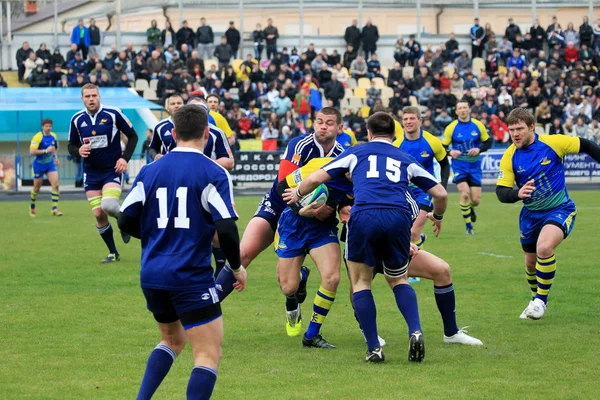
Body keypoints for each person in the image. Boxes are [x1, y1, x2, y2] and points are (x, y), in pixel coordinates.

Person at [284, 112, 447, 362]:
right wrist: (437, 215)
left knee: (361, 283)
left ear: (368, 133)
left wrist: (297, 192)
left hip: (364, 216)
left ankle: (374, 347)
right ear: (394, 135)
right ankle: (415, 330)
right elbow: (441, 193)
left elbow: (317, 177)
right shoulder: (405, 157)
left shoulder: (356, 153)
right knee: (399, 280)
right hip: (397, 217)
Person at [118, 105, 246, 400]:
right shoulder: (213, 172)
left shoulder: (150, 171)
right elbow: (226, 228)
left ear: (173, 134)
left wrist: (153, 237)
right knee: (207, 353)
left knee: (172, 339)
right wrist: (237, 268)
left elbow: (125, 218)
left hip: (152, 274)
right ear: (206, 133)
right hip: (190, 275)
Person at [214, 108, 345, 312]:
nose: (323, 126)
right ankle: (207, 308)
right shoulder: (299, 145)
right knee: (242, 254)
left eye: (329, 123)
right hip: (278, 206)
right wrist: (300, 209)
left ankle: (297, 282)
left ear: (340, 128)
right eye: (319, 121)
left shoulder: (343, 155)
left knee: (292, 283)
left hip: (313, 218)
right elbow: (283, 185)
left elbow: (343, 192)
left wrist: (330, 206)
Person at [496, 108, 600, 320]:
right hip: (530, 216)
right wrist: (517, 194)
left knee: (544, 247)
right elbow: (501, 192)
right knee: (530, 263)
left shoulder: (554, 143)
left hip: (560, 209)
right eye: (512, 129)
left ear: (532, 127)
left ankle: (541, 301)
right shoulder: (509, 156)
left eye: (520, 129)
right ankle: (535, 299)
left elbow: (587, 145)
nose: (515, 134)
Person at [67, 84, 139, 263]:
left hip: (111, 170)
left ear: (99, 96)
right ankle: (113, 252)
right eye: (87, 96)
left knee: (108, 205)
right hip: (91, 173)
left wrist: (124, 159)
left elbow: (133, 136)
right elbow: (71, 146)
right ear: (82, 99)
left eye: (94, 95)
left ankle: (125, 224)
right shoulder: (76, 119)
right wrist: (78, 151)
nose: (91, 99)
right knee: (99, 214)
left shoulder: (113, 114)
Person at [393, 107, 449, 249]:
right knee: (406, 233)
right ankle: (419, 246)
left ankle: (416, 266)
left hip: (425, 191)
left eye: (412, 118)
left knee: (413, 232)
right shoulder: (396, 146)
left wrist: (441, 188)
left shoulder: (432, 141)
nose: (408, 122)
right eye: (405, 119)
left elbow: (444, 164)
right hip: (405, 193)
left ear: (420, 121)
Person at [442, 101, 491, 235]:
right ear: (456, 111)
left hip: (474, 166)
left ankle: (469, 208)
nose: (462, 110)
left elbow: (488, 142)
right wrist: (450, 152)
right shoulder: (451, 128)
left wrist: (479, 149)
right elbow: (443, 147)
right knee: (464, 194)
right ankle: (469, 226)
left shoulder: (478, 125)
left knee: (475, 200)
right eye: (460, 108)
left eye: (465, 108)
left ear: (469, 110)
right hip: (459, 165)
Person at [29, 119, 62, 217]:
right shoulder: (38, 137)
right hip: (38, 165)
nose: (48, 128)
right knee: (36, 188)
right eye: (46, 126)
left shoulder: (54, 136)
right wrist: (45, 151)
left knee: (56, 185)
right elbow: (32, 151)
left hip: (50, 164)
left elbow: (53, 148)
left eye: (50, 126)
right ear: (42, 127)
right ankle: (32, 205)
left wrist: (55, 157)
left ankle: (54, 209)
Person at [149, 95, 185, 160]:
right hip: (168, 166)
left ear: (184, 106)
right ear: (167, 108)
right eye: (172, 104)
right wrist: (155, 156)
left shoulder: (192, 124)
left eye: (179, 103)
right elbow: (152, 148)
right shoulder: (160, 127)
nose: (176, 106)